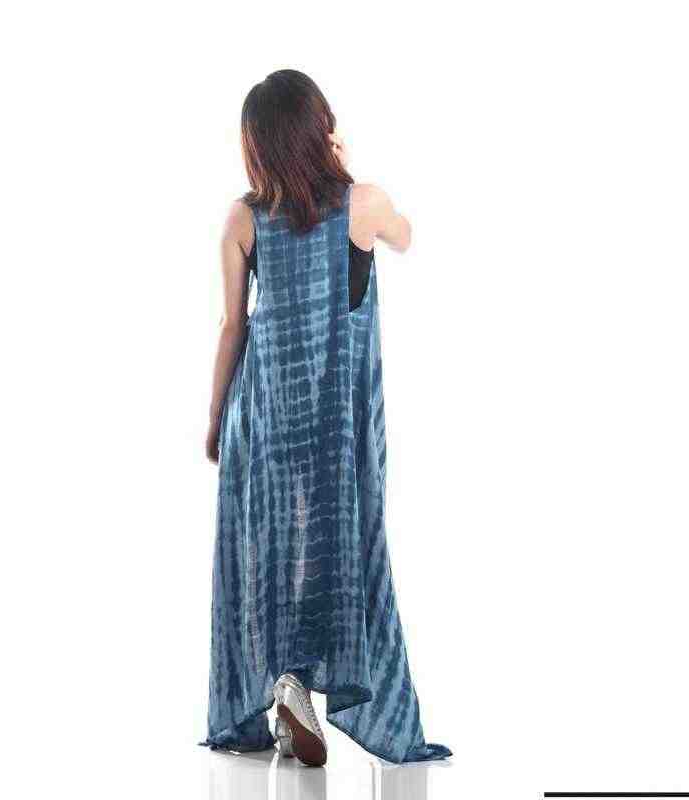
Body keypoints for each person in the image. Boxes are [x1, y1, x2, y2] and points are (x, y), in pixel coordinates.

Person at [202, 69, 451, 767]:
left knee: (267, 552)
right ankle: (305, 686)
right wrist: (345, 167)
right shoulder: (362, 205)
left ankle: (286, 685)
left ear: (257, 146)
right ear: (322, 129)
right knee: (338, 550)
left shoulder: (243, 219)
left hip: (262, 412)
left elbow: (232, 325)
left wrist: (216, 417)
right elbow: (405, 236)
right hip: (335, 422)